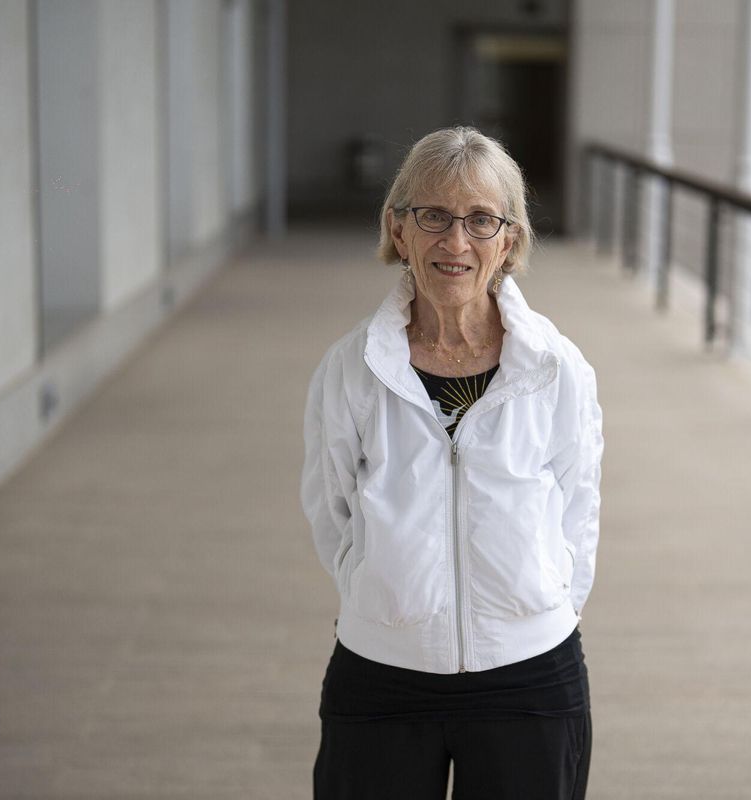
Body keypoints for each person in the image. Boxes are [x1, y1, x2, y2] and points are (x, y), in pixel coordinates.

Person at [301, 126, 604, 800]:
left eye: (480, 219)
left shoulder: (558, 369)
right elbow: (333, 509)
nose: (455, 241)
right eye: (433, 216)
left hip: (529, 674)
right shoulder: (351, 369)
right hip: (383, 670)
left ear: (510, 240)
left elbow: (578, 509)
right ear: (398, 230)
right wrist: (383, 596)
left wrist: (537, 605)